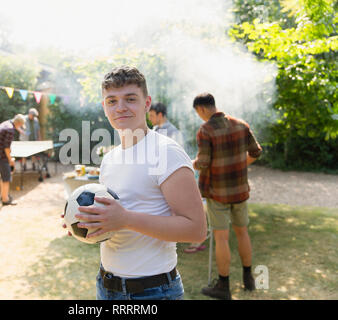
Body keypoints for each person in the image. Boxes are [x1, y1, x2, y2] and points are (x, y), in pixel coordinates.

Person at [63, 66, 207, 300]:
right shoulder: (110, 158)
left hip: (152, 292)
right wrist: (85, 221)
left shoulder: (165, 152)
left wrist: (126, 219)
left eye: (130, 99)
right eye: (112, 101)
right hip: (106, 287)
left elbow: (196, 230)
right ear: (104, 107)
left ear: (147, 103)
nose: (120, 107)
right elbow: (113, 220)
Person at [192, 93, 262, 300]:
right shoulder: (241, 125)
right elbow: (256, 152)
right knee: (243, 233)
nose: (200, 117)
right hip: (240, 191)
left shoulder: (206, 130)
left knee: (221, 238)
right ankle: (248, 279)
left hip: (217, 193)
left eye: (198, 113)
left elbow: (203, 163)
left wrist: (194, 163)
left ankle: (223, 286)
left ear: (202, 109)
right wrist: (241, 164)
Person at [149, 102, 206, 254]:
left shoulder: (173, 132)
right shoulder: (154, 130)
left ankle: (183, 239)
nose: (150, 118)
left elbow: (178, 157)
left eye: (152, 115)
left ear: (160, 115)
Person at [0, 114, 26, 206]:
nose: (20, 128)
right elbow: (6, 147)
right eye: (20, 125)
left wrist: (19, 129)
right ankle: (5, 200)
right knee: (6, 178)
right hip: (1, 157)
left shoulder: (5, 124)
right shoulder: (10, 130)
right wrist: (10, 160)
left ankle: (4, 195)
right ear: (18, 123)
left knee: (3, 177)